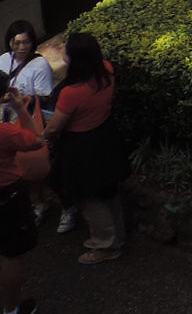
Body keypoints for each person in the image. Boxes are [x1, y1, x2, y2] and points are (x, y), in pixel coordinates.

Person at [44, 32, 127, 263]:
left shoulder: (71, 93)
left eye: (66, 49)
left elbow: (54, 128)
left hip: (81, 148)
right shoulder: (107, 70)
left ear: (75, 58)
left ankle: (105, 246)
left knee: (89, 198)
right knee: (109, 191)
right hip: (106, 138)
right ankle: (117, 236)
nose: (62, 51)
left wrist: (44, 134)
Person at [0, 26, 53, 228]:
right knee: (26, 162)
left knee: (35, 161)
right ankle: (38, 201)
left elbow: (44, 96)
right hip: (11, 120)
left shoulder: (39, 65)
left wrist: (22, 102)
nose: (21, 47)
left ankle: (45, 199)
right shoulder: (4, 60)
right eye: (16, 42)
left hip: (28, 118)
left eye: (26, 42)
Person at [0, 79, 43, 314]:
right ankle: (11, 308)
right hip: (7, 194)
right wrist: (19, 108)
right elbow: (37, 140)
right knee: (10, 254)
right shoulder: (5, 133)